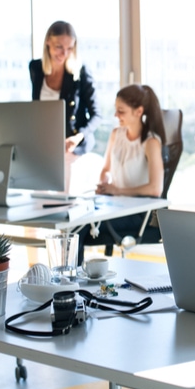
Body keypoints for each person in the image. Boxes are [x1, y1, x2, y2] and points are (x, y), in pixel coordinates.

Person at [79, 84, 166, 263]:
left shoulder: (150, 142)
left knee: (79, 228)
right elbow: (106, 169)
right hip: (115, 206)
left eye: (121, 111)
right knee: (74, 220)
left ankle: (70, 282)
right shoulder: (116, 134)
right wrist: (104, 183)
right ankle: (69, 280)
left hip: (138, 213)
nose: (115, 115)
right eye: (115, 110)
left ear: (138, 111)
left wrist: (117, 190)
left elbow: (155, 189)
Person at [29, 20, 100, 193]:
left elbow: (96, 115)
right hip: (45, 142)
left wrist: (78, 137)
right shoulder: (36, 68)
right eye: (59, 47)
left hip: (72, 143)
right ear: (48, 42)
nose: (64, 53)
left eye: (70, 48)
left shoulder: (80, 72)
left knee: (64, 195)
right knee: (37, 193)